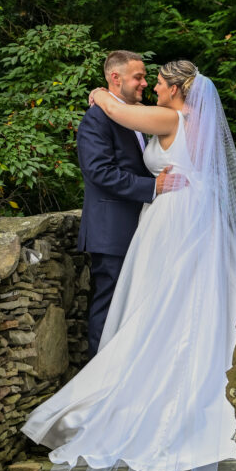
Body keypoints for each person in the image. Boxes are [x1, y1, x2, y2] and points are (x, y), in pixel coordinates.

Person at [22, 61, 236, 471]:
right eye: (142, 77)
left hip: (175, 220)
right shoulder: (186, 121)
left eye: (158, 80)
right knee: (181, 307)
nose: (152, 84)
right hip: (186, 218)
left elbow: (115, 107)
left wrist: (99, 91)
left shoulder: (168, 117)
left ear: (177, 89)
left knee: (163, 309)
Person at [76, 50, 173, 358]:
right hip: (112, 230)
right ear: (115, 78)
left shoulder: (136, 115)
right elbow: (99, 171)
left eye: (145, 77)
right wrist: (152, 187)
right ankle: (95, 373)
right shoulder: (96, 118)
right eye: (138, 77)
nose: (144, 83)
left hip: (142, 226)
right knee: (109, 303)